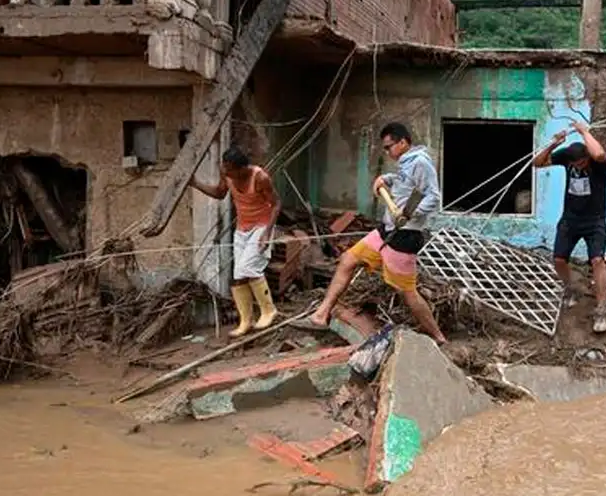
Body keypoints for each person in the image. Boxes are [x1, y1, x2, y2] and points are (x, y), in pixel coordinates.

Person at [296, 122, 447, 344]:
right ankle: (321, 314)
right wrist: (387, 179)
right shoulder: (406, 162)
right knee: (348, 259)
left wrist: (410, 215)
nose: (386, 152)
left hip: (404, 236)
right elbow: (405, 184)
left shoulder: (421, 163)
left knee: (408, 293)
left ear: (403, 142)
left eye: (389, 147)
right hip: (386, 230)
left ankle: (438, 336)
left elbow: (433, 197)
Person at [190, 145, 281, 337]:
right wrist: (196, 183)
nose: (226, 172)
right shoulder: (228, 175)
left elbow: (276, 204)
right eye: (225, 168)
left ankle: (268, 311)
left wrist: (267, 233)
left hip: (260, 227)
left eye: (230, 169)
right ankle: (246, 320)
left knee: (248, 269)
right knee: (238, 276)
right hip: (242, 229)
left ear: (241, 168)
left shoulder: (260, 177)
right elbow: (219, 193)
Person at [534, 121, 606, 333]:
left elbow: (600, 155)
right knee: (559, 259)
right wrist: (553, 144)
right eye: (576, 164)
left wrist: (584, 131)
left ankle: (602, 308)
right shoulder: (566, 158)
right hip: (570, 219)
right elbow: (537, 163)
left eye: (582, 162)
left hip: (595, 219)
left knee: (597, 260)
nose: (579, 166)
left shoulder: (597, 163)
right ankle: (572, 289)